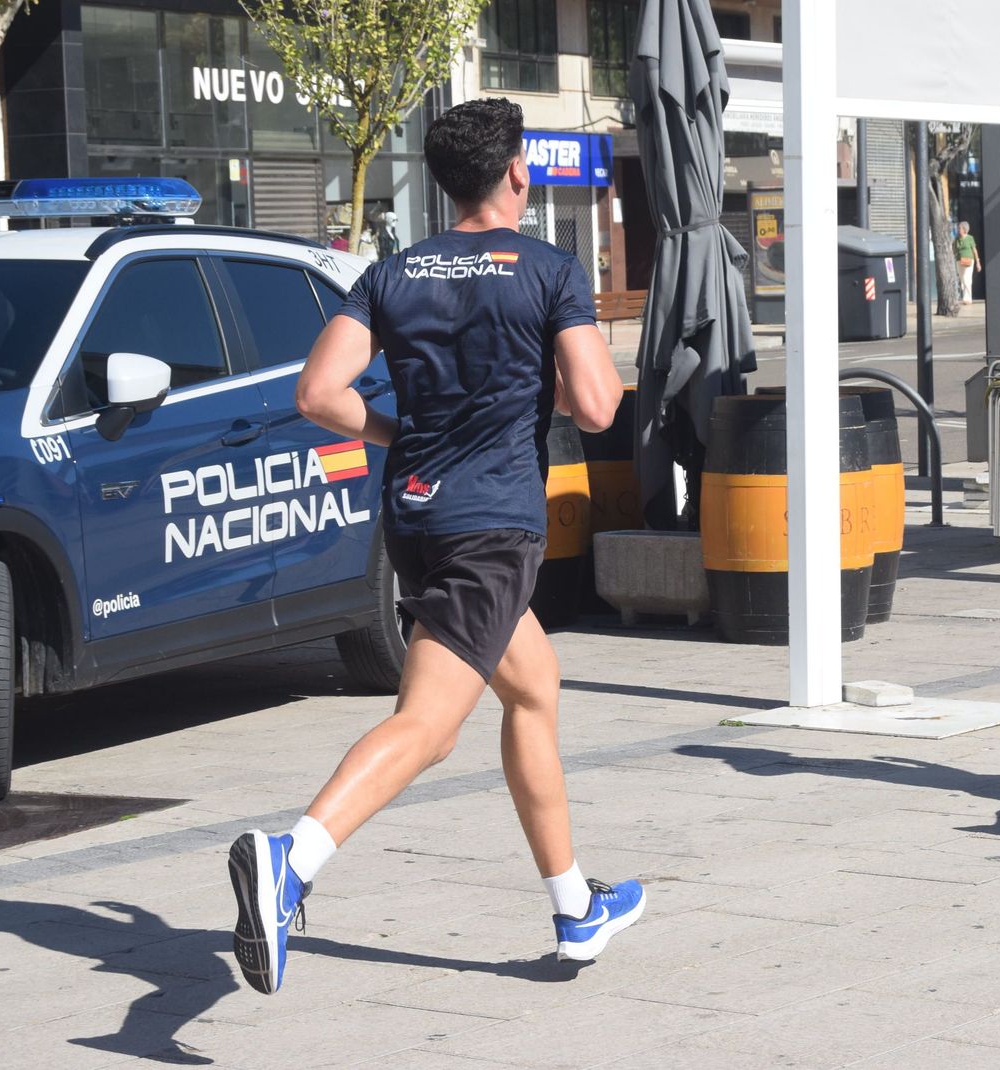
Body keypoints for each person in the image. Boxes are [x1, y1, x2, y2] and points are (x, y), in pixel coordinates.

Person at [226, 97, 642, 996]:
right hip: (492, 530)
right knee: (431, 726)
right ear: (518, 172)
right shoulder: (550, 270)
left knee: (533, 687)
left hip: (414, 517)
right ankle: (290, 860)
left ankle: (575, 906)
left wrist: (396, 433)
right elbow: (601, 406)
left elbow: (316, 394)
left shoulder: (394, 273)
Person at [954, 221, 980, 305]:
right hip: (959, 260)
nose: (958, 229)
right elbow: (953, 249)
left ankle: (968, 298)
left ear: (964, 229)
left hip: (969, 260)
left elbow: (974, 250)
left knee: (966, 278)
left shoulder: (970, 238)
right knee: (962, 279)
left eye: (960, 228)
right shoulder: (957, 239)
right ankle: (965, 297)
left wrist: (978, 262)